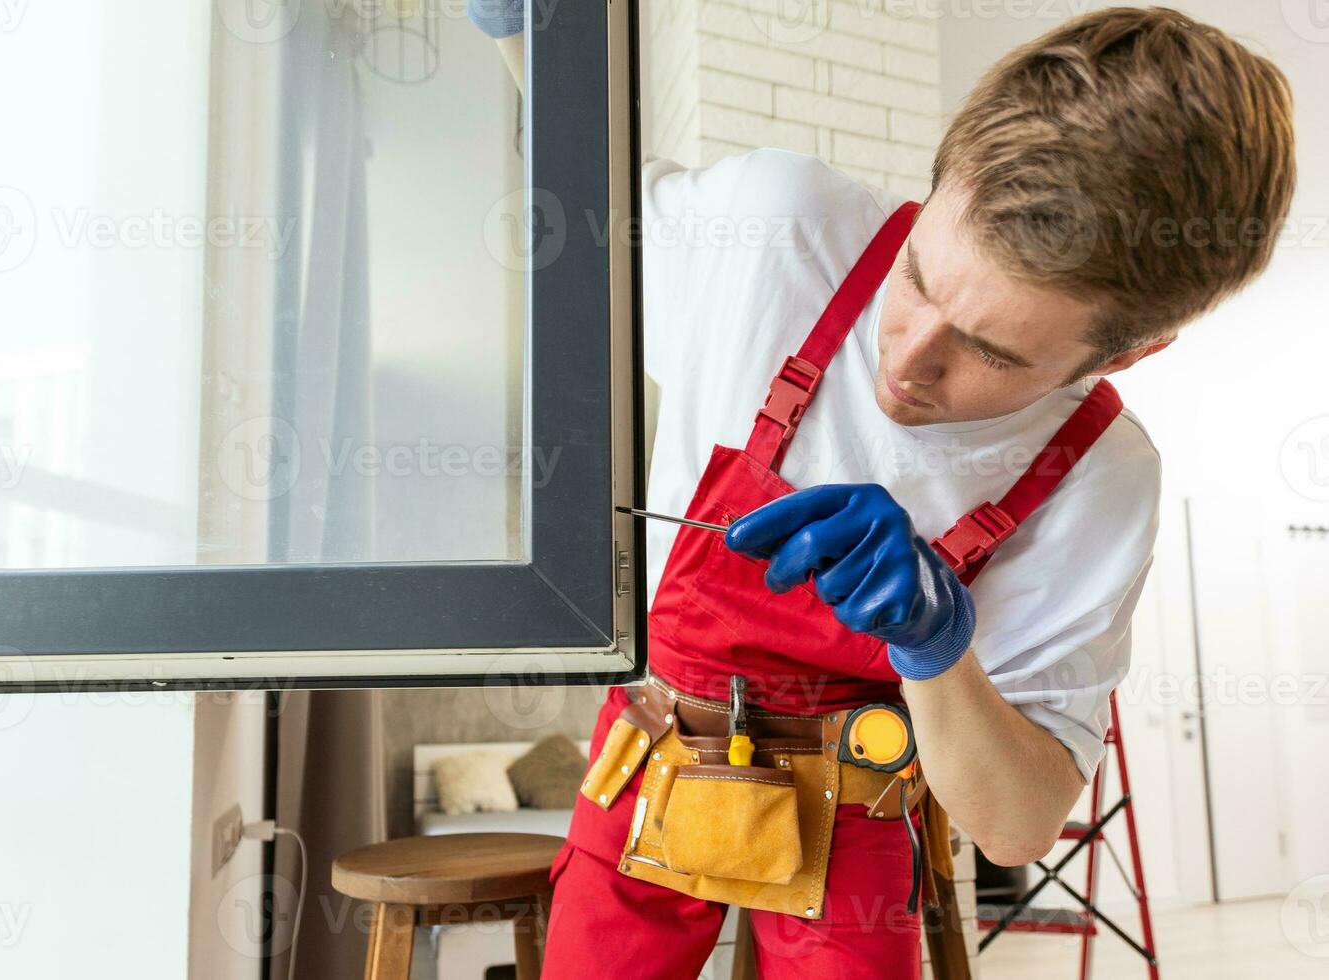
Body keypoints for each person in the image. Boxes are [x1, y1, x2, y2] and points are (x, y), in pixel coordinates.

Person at [471, 5, 1295, 977]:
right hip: (650, 750)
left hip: (856, 795)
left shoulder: (1102, 477)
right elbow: (590, 199)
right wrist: (522, 34)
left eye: (990, 351)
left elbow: (1016, 824)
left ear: (1132, 348)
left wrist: (937, 648)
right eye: (918, 280)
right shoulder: (781, 230)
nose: (907, 360)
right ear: (942, 182)